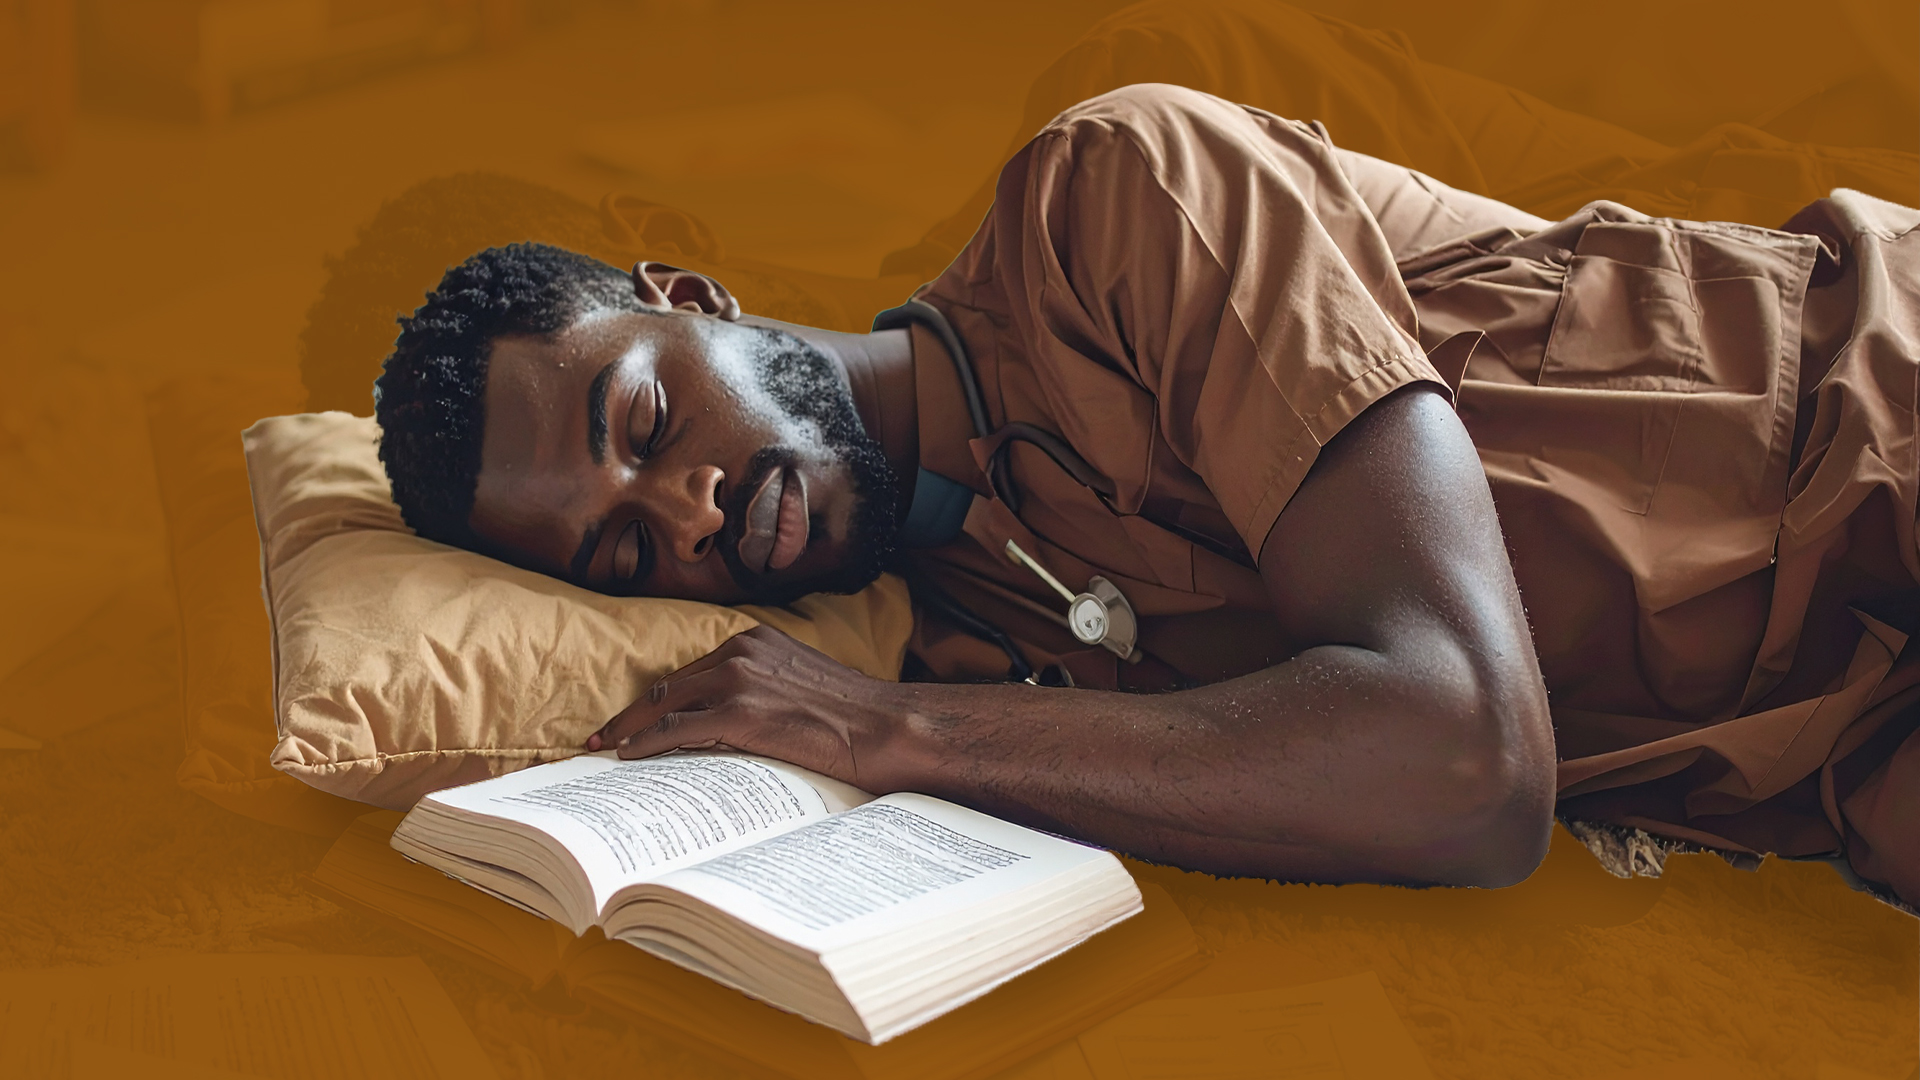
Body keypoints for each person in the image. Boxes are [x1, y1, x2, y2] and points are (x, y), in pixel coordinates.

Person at [370, 85, 1918, 905]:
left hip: (1881, 424)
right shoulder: (968, 639)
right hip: (1849, 755)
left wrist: (881, 734)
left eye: (643, 418)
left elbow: (1466, 763)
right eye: (632, 552)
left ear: (691, 290)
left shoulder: (1114, 196)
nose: (693, 510)